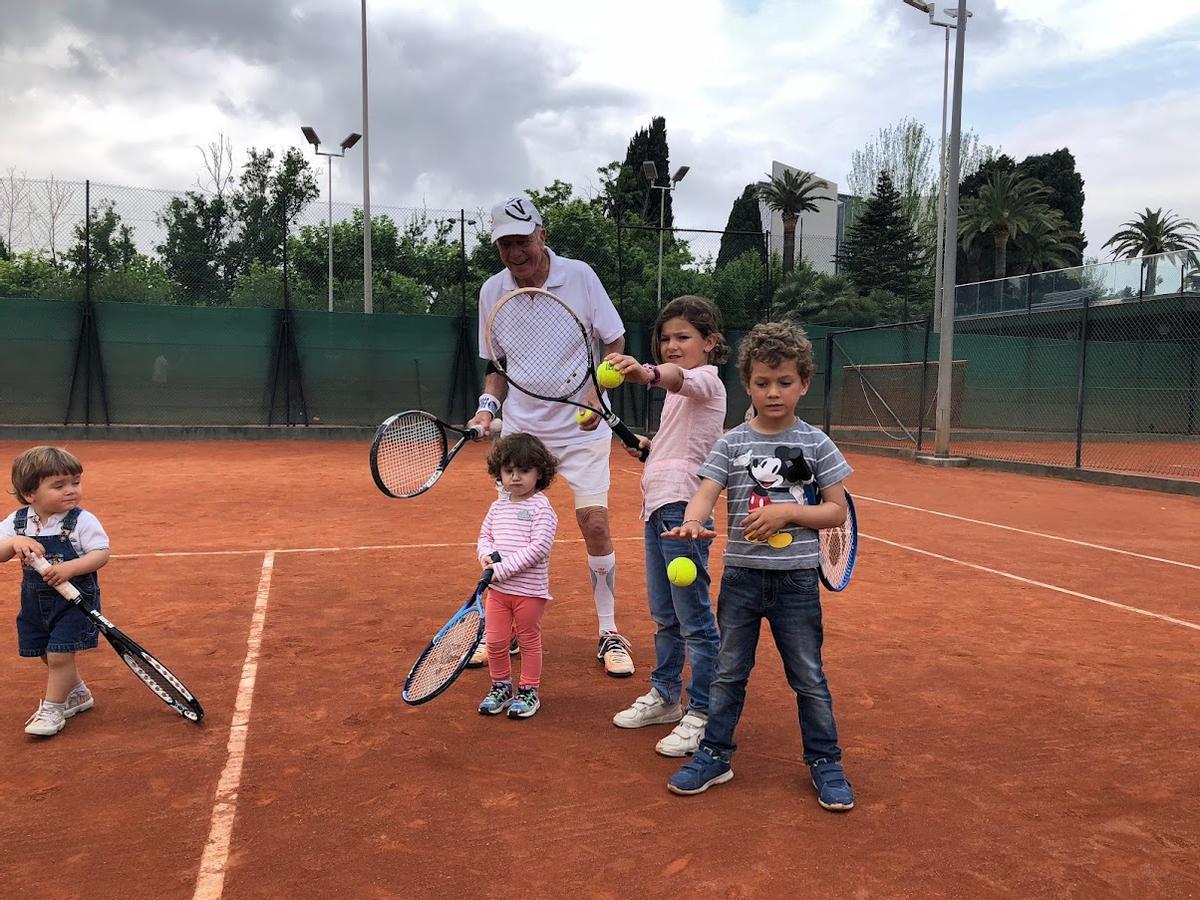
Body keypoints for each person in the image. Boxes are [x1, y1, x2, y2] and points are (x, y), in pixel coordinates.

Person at [662, 322, 857, 812]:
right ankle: (715, 754)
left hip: (795, 583)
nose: (774, 392)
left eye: (785, 382)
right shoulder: (731, 443)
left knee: (808, 676)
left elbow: (836, 511)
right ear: (747, 385)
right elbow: (706, 492)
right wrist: (691, 522)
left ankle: (825, 761)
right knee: (728, 673)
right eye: (764, 383)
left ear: (804, 384)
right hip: (742, 580)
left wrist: (787, 511)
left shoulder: (817, 444)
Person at [468, 194, 635, 678]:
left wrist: (595, 392)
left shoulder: (579, 276)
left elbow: (615, 339)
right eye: (505, 245)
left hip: (582, 425)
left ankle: (608, 631)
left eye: (522, 241)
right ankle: (506, 629)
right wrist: (485, 411)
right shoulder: (492, 291)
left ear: (542, 235)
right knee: (509, 532)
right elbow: (496, 368)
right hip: (522, 432)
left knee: (595, 523)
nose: (515, 253)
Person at [604, 296, 728, 757]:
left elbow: (677, 377)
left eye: (683, 337)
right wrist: (649, 446)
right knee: (664, 615)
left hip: (684, 513)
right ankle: (665, 695)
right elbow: (682, 445)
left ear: (709, 343)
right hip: (658, 508)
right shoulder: (682, 399)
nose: (672, 345)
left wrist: (646, 372)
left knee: (694, 618)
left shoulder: (705, 380)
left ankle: (703, 710)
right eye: (665, 338)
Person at [0, 447, 111, 737]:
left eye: (75, 482)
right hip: (36, 603)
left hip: (75, 601)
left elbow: (100, 553)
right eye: (59, 485)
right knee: (46, 654)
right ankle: (77, 693)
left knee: (60, 654)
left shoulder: (82, 520)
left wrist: (71, 568)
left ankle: (52, 708)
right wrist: (14, 543)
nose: (71, 490)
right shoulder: (18, 522)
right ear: (29, 494)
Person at [475, 433, 559, 719]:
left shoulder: (542, 508)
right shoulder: (497, 507)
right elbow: (485, 535)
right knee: (496, 641)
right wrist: (484, 555)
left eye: (524, 471)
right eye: (509, 471)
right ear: (499, 472)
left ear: (540, 472)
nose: (515, 477)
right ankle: (500, 686)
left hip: (529, 593)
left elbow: (538, 549)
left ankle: (528, 690)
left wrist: (499, 569)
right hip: (498, 592)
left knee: (527, 641)